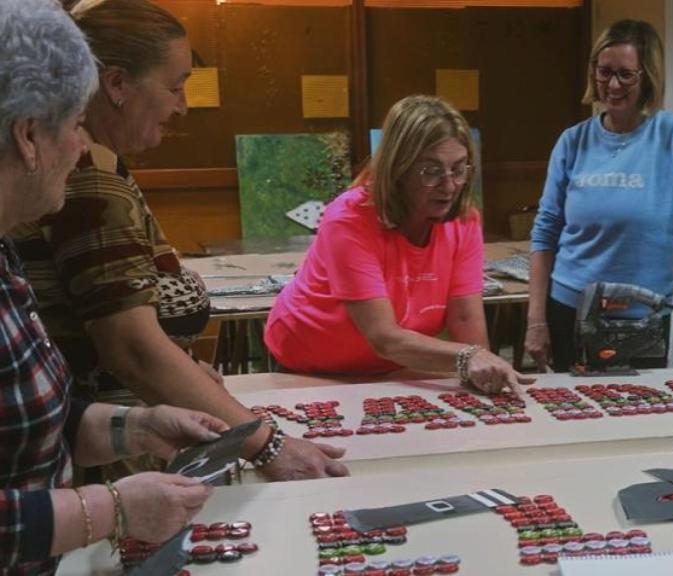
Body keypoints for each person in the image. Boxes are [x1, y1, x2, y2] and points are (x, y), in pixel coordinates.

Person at [11, 0, 347, 480]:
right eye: (174, 87)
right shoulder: (91, 177)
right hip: (106, 466)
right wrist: (267, 445)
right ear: (117, 84)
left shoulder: (100, 168)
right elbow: (133, 349)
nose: (183, 106)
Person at [0, 2, 229, 572]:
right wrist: (112, 508)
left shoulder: (5, 255)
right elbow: (129, 347)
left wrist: (136, 426)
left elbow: (32, 424)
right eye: (75, 124)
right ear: (28, 136)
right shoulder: (91, 182)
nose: (82, 148)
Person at [265, 95, 533, 395]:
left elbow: (464, 317)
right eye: (431, 171)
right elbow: (384, 338)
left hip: (392, 365)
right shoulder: (349, 218)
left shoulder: (464, 221)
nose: (449, 186)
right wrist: (468, 357)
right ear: (398, 169)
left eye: (458, 170)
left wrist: (484, 373)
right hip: (311, 362)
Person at [526, 19, 673, 373]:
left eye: (626, 75)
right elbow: (545, 232)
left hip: (642, 319)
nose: (612, 85)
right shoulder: (572, 141)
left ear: (648, 77)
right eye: (604, 72)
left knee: (637, 407)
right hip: (569, 311)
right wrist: (536, 321)